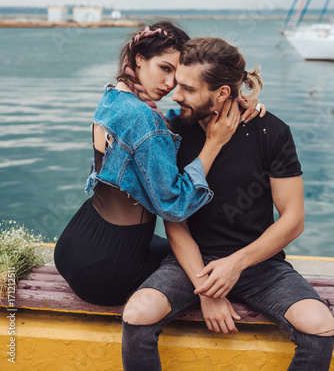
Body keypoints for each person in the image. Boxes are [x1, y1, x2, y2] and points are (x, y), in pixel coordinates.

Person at [122, 37, 334, 371]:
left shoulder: (271, 132)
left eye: (189, 90)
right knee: (137, 314)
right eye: (177, 84)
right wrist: (207, 290)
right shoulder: (173, 132)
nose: (175, 96)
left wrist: (235, 264)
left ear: (222, 93)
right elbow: (175, 223)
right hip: (191, 264)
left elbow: (293, 220)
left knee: (320, 325)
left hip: (259, 265)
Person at [54, 22, 261, 306]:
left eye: (176, 76)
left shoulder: (114, 97)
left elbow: (156, 132)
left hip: (75, 243)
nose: (169, 84)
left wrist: (223, 103)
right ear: (139, 58)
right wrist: (214, 142)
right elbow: (174, 205)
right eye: (164, 68)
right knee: (211, 262)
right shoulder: (144, 119)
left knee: (186, 253)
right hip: (110, 269)